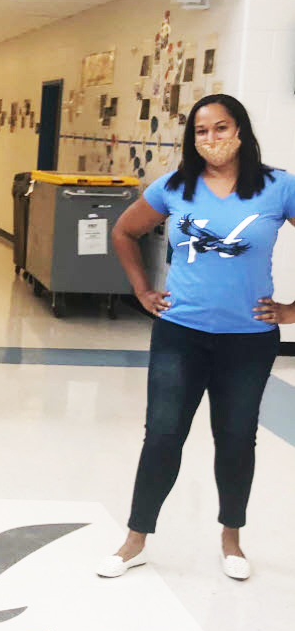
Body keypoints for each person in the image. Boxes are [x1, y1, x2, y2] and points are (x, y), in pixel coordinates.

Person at [97, 94, 295, 581]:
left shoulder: (278, 187)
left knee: (235, 439)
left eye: (221, 129)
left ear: (241, 132)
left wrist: (292, 310)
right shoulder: (175, 186)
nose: (212, 140)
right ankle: (135, 540)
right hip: (179, 335)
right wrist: (143, 290)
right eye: (202, 132)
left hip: (248, 340)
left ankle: (232, 540)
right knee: (162, 436)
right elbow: (124, 231)